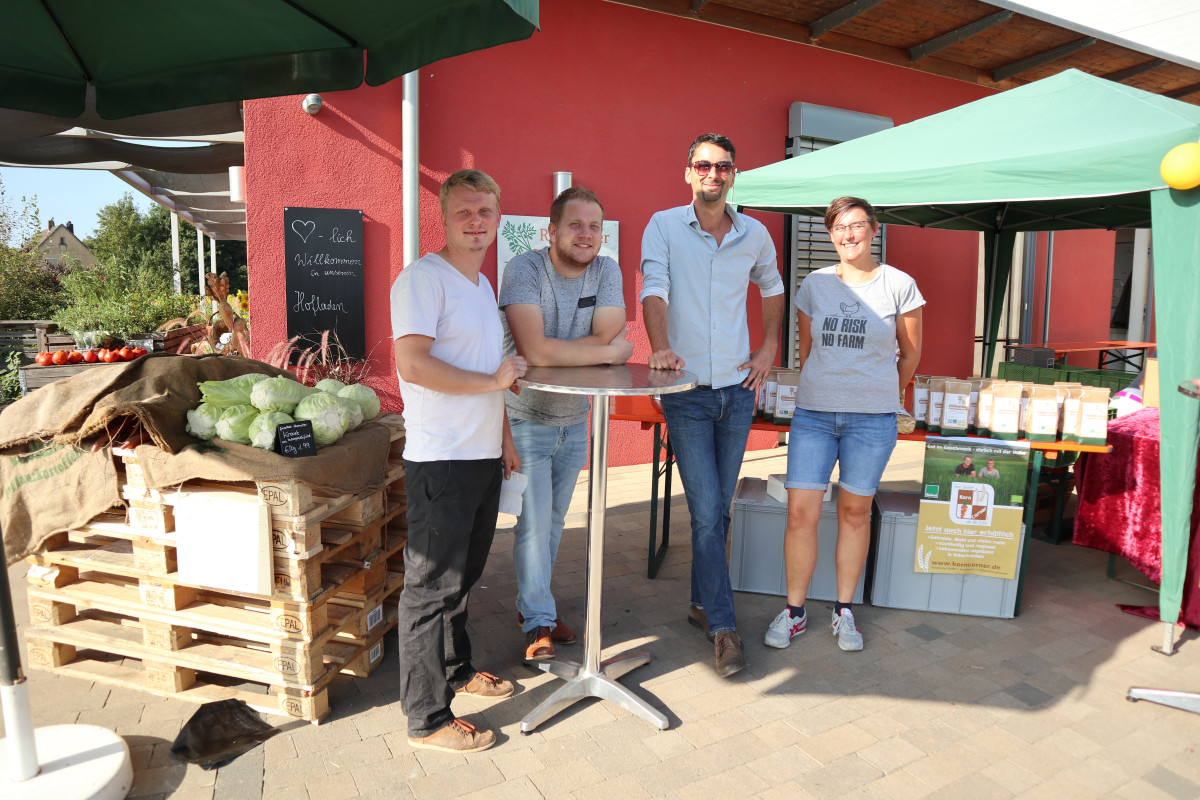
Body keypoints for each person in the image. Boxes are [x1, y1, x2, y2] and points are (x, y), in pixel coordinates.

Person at [390, 169, 527, 754]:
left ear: (499, 218)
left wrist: (505, 439)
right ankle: (425, 718)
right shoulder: (424, 280)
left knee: (463, 579)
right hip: (440, 460)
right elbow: (414, 365)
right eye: (465, 212)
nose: (477, 222)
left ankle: (457, 670)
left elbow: (488, 373)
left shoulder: (479, 285)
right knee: (430, 589)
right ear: (443, 217)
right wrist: (495, 381)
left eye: (486, 212)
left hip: (479, 457)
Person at [641, 133, 785, 678]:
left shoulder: (754, 234)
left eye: (723, 166)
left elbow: (773, 288)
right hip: (687, 394)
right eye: (703, 164)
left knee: (718, 512)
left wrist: (769, 347)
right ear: (688, 173)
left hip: (738, 391)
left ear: (733, 174)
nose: (713, 173)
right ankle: (724, 629)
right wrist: (658, 346)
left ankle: (701, 603)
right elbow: (655, 288)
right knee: (706, 515)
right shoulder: (663, 225)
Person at [766, 196, 923, 653]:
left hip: (872, 421)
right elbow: (808, 349)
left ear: (874, 229)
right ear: (830, 235)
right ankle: (794, 612)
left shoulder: (899, 285)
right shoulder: (814, 284)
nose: (847, 235)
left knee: (855, 513)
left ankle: (843, 610)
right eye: (838, 228)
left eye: (855, 226)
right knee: (801, 514)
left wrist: (882, 393)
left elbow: (910, 354)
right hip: (814, 414)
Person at [500, 186, 632, 662]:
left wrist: (593, 347)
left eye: (594, 226)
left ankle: (536, 609)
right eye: (575, 224)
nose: (586, 234)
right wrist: (609, 353)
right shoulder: (525, 269)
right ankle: (538, 620)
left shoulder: (607, 270)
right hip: (526, 416)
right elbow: (534, 351)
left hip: (577, 420)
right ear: (551, 230)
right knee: (534, 525)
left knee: (554, 522)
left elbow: (604, 332)